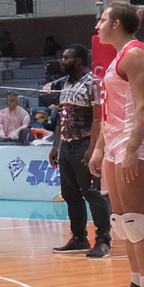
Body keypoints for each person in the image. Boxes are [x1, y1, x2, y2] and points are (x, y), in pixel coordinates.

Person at [89, 1, 144, 287]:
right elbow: (112, 113)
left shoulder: (135, 54)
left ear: (117, 24)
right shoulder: (116, 59)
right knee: (122, 223)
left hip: (137, 143)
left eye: (103, 19)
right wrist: (98, 148)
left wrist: (133, 148)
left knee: (137, 222)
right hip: (115, 144)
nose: (98, 25)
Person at [49, 45, 112, 256]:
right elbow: (62, 117)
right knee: (69, 194)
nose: (61, 60)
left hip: (85, 144)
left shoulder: (93, 83)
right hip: (67, 146)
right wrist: (55, 145)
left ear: (78, 60)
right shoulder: (66, 84)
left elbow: (99, 118)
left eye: (66, 57)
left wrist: (93, 147)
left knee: (92, 194)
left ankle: (103, 241)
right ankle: (79, 238)